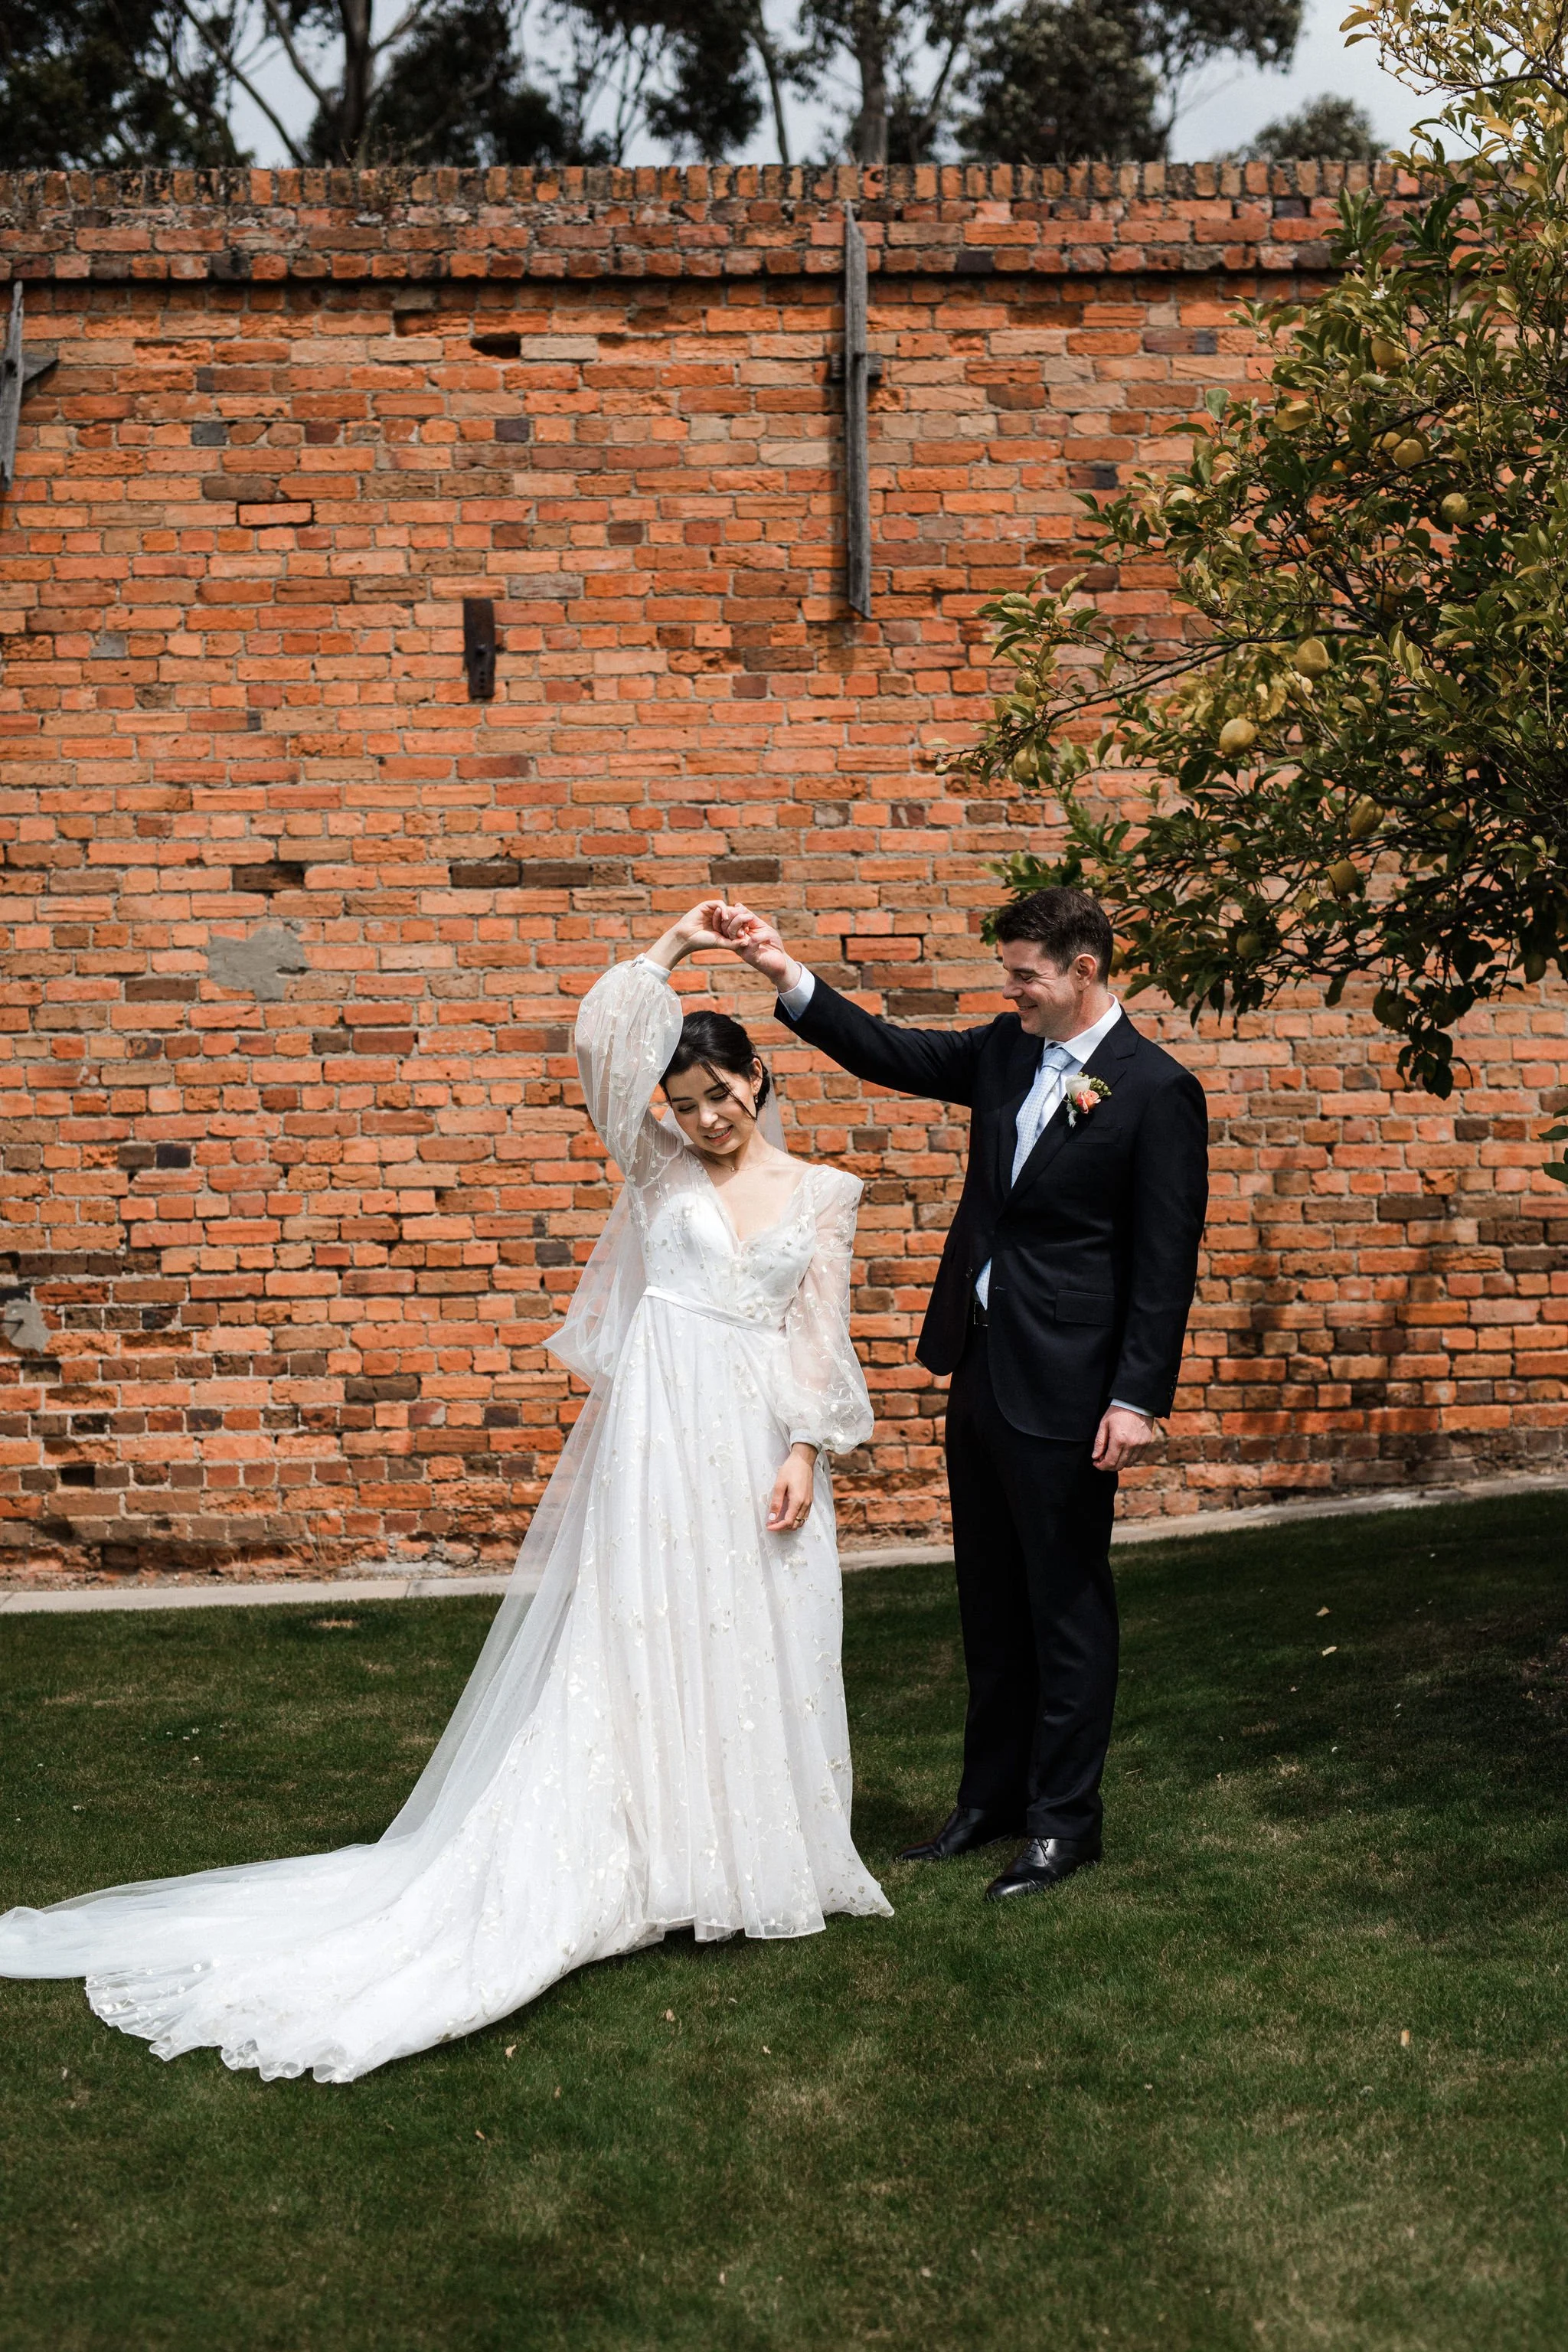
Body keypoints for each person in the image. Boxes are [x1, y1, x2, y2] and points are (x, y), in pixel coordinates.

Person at [0, 905, 890, 2082]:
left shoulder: (824, 1194)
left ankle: (739, 1855)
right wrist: (673, 943)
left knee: (756, 1633)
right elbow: (602, 1044)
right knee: (641, 1631)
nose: (708, 1120)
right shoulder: (655, 1165)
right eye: (688, 1105)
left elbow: (819, 1340)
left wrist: (802, 1453)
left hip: (754, 1437)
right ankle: (643, 1847)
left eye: (723, 1096)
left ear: (759, 1078)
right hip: (659, 1432)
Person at [718, 887, 1208, 1901]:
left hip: (1075, 1388)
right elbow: (888, 1051)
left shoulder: (1156, 1091)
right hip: (983, 1368)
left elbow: (1164, 1262)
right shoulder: (1004, 1051)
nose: (1011, 988)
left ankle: (1064, 1824)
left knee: (1064, 1604)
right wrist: (782, 972)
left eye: (1026, 973)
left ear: (1084, 970)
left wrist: (1137, 1396)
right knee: (988, 1599)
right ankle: (990, 1802)